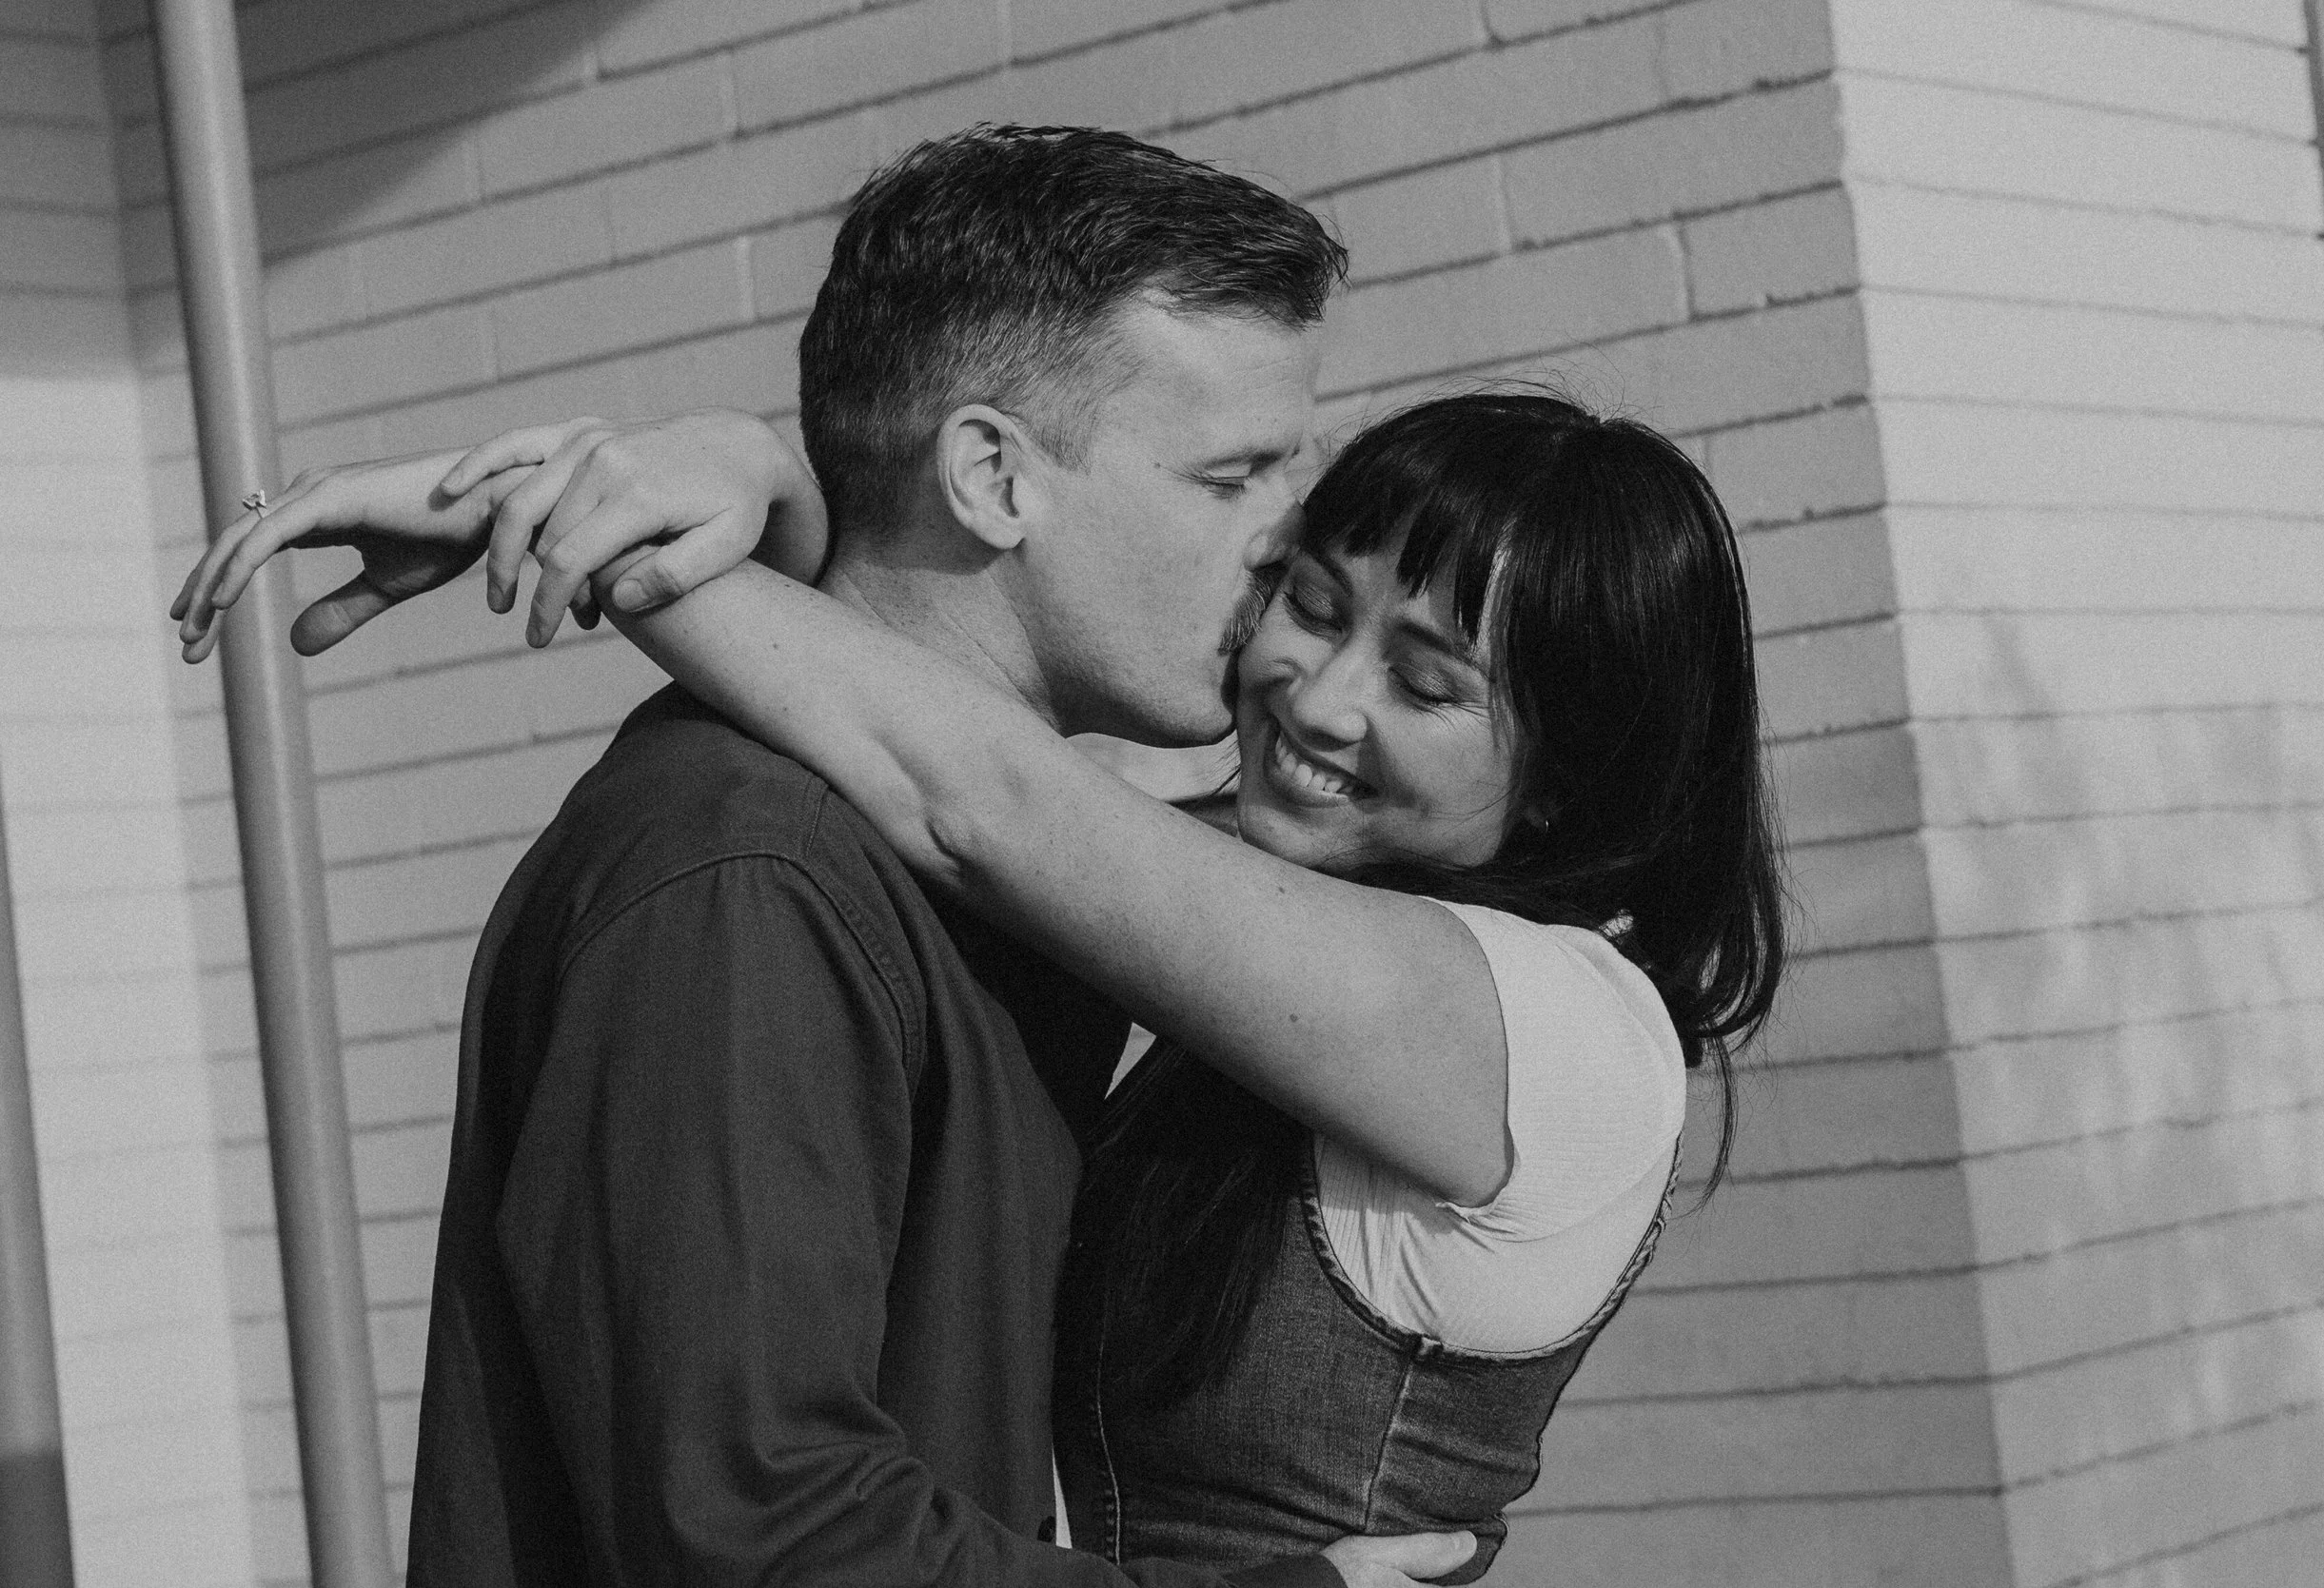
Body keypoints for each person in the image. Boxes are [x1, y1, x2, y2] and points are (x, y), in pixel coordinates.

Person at [180, 382, 1785, 1577]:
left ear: (1568, 782)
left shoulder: (1544, 1029)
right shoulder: (1263, 879)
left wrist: (582, 530)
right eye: (1309, 600)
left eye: (1428, 683)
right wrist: (745, 468)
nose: (1318, 691)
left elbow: (986, 798)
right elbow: (938, 684)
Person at [176, 127, 1481, 1588]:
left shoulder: (1007, 871)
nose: (1283, 541)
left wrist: (757, 471)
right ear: (989, 476)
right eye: (1232, 474)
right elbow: (753, 1527)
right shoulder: (753, 880)